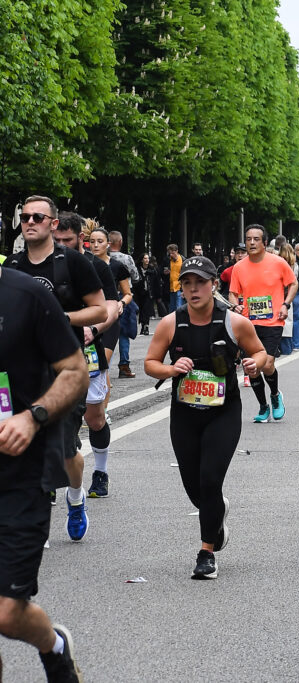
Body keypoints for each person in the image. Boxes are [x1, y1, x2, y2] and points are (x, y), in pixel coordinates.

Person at [145, 256, 267, 578]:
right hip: (184, 413)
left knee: (210, 478)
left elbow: (261, 353)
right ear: (181, 288)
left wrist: (256, 363)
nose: (193, 289)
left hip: (223, 413)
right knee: (194, 486)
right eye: (187, 283)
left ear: (214, 285)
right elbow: (150, 363)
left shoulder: (235, 323)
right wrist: (171, 369)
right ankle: (217, 513)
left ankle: (206, 552)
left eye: (200, 282)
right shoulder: (171, 323)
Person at [0, 262, 90, 682]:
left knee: (5, 612)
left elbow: (75, 370)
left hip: (19, 473)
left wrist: (32, 417)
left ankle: (54, 645)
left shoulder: (26, 295)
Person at [5, 200, 107, 539]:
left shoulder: (74, 263)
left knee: (64, 451)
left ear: (52, 223)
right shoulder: (13, 265)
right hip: (19, 372)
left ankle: (75, 499)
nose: (29, 222)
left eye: (37, 217)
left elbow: (100, 311)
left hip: (65, 370)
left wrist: (58, 318)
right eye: (24, 218)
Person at [56, 215, 122, 504]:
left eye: (67, 240)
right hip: (50, 353)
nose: (61, 246)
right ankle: (48, 483)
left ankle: (101, 471)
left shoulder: (94, 266)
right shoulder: (40, 264)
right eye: (57, 240)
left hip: (89, 348)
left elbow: (110, 307)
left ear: (80, 239)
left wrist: (92, 329)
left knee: (94, 418)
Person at [229, 224, 298, 422]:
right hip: (248, 324)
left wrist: (286, 304)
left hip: (273, 321)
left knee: (267, 363)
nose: (251, 242)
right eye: (249, 239)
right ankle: (263, 406)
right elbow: (233, 294)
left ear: (265, 242)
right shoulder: (239, 267)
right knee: (251, 366)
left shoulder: (278, 263)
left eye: (256, 239)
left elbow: (293, 283)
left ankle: (275, 395)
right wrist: (235, 307)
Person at [90, 227, 135, 378]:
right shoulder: (82, 264)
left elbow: (128, 294)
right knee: (89, 370)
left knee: (101, 368)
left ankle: (122, 366)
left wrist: (121, 303)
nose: (95, 245)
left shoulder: (116, 266)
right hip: (88, 319)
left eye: (100, 241)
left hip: (110, 318)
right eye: (92, 241)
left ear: (108, 244)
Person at [137, 253, 161, 335]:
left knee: (146, 310)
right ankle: (143, 325)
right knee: (141, 310)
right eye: (145, 258)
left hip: (149, 293)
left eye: (148, 258)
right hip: (140, 293)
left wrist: (158, 295)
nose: (147, 260)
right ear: (141, 260)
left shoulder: (152, 270)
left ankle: (146, 326)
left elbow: (157, 283)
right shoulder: (137, 269)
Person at [164, 243, 183, 310]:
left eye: (173, 253)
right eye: (170, 253)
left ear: (177, 251)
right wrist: (165, 273)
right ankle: (174, 320)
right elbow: (161, 271)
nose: (171, 255)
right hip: (171, 287)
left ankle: (180, 320)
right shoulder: (167, 260)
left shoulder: (183, 260)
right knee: (172, 308)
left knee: (179, 307)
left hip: (179, 287)